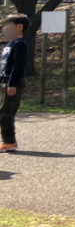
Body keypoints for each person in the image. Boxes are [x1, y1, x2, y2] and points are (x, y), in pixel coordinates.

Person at [0, 14, 30, 153]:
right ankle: (6, 140)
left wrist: (12, 84)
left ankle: (9, 141)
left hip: (13, 82)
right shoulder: (10, 44)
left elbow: (18, 66)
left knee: (6, 113)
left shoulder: (20, 44)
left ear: (19, 27)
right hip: (4, 81)